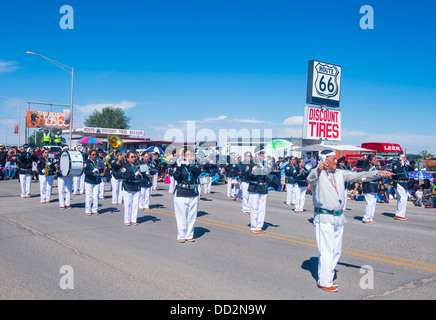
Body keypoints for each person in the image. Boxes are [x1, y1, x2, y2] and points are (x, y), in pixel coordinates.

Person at [307, 149, 392, 292]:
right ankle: (324, 281)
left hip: (338, 218)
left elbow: (358, 176)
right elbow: (310, 179)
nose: (336, 161)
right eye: (333, 159)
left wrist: (377, 173)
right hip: (324, 217)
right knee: (326, 250)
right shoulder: (318, 174)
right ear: (325, 161)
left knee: (336, 250)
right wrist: (318, 169)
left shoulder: (340, 173)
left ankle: (328, 276)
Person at [173, 149, 201, 242]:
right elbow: (176, 177)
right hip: (182, 192)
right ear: (184, 157)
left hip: (193, 192)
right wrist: (179, 166)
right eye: (188, 155)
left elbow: (198, 172)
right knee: (182, 215)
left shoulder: (194, 166)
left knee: (192, 215)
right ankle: (181, 235)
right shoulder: (180, 166)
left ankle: (189, 234)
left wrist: (190, 166)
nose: (191, 156)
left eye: (192, 154)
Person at [247, 149, 271, 234]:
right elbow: (247, 176)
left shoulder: (265, 163)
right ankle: (253, 226)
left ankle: (259, 226)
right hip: (254, 187)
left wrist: (265, 169)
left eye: (264, 153)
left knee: (262, 208)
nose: (263, 155)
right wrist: (254, 171)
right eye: (261, 153)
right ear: (257, 154)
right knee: (254, 207)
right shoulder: (251, 163)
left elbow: (269, 173)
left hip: (263, 187)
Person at [121, 151, 141, 225]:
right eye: (131, 157)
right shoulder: (124, 166)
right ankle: (127, 220)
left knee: (135, 204)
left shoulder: (137, 165)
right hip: (128, 186)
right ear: (127, 158)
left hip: (136, 186)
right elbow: (123, 175)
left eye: (134, 156)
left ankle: (134, 219)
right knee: (128, 204)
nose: (133, 158)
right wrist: (134, 174)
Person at [392, 154, 413, 221]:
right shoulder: (396, 164)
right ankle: (399, 214)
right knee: (402, 198)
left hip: (405, 183)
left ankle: (401, 214)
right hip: (398, 183)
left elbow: (411, 170)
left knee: (404, 198)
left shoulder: (405, 164)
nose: (405, 158)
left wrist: (408, 165)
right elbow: (396, 172)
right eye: (404, 157)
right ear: (399, 158)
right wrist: (402, 165)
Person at [362, 155, 381, 224]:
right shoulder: (366, 167)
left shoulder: (375, 168)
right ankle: (366, 218)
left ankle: (370, 217)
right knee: (369, 203)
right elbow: (364, 176)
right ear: (369, 160)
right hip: (368, 186)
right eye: (373, 160)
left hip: (374, 186)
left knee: (373, 203)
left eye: (375, 160)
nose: (375, 161)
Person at [83, 150, 104, 215]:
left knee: (96, 196)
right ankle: (88, 209)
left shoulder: (97, 162)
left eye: (95, 155)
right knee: (89, 196)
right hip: (89, 180)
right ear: (89, 155)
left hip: (96, 180)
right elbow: (85, 172)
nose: (95, 156)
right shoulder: (87, 162)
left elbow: (102, 170)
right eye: (93, 154)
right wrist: (92, 171)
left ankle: (95, 209)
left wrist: (100, 168)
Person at [56, 145, 73, 210]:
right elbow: (55, 162)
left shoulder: (70, 155)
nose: (66, 150)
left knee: (69, 189)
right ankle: (62, 204)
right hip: (61, 174)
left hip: (69, 174)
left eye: (67, 149)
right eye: (65, 149)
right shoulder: (58, 155)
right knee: (61, 190)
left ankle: (67, 203)